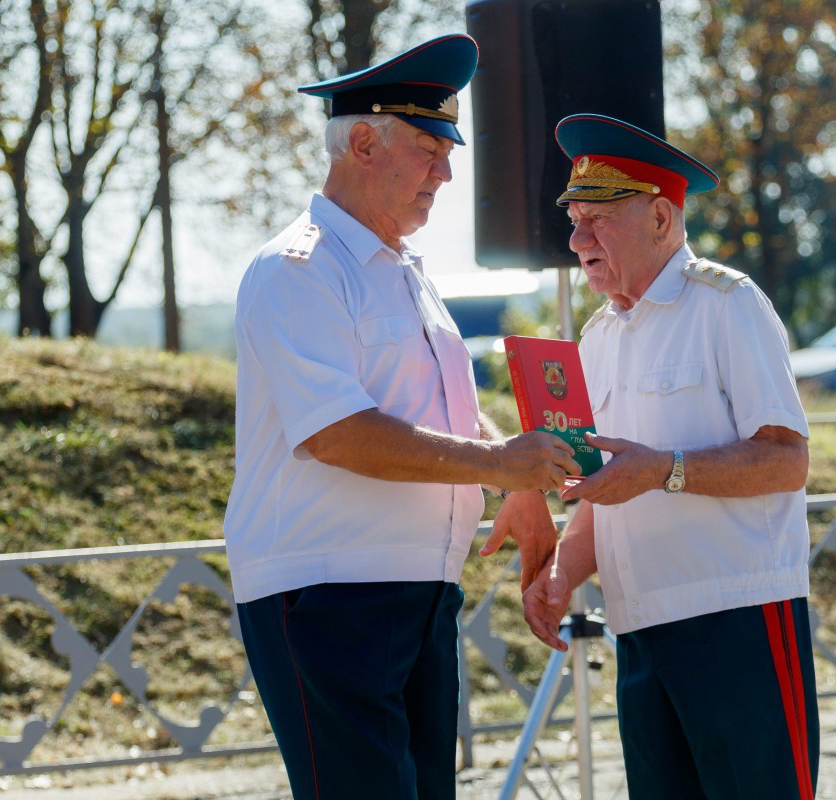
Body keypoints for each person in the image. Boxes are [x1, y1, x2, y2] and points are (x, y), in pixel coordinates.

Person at [223, 34, 578, 800]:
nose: (447, 174)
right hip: (329, 596)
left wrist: (513, 478)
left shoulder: (404, 273)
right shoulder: (300, 268)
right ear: (360, 142)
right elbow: (336, 432)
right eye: (429, 148)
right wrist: (495, 465)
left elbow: (440, 411)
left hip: (416, 591)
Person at [521, 114, 819, 800]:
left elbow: (785, 462)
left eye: (598, 220)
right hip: (640, 629)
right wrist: (563, 573)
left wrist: (663, 469)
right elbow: (604, 487)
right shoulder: (596, 338)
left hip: (736, 620)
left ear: (661, 217)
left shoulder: (727, 304)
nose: (577, 240)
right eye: (573, 220)